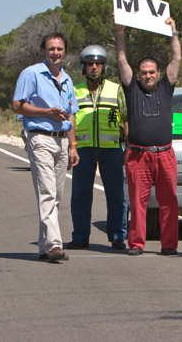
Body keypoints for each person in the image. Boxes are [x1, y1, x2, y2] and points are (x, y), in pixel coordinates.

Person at [12, 32, 80, 263]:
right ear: (43, 51)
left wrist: (73, 145)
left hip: (62, 140)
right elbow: (17, 106)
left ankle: (43, 246)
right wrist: (46, 112)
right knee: (47, 192)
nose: (55, 53)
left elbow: (70, 114)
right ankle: (54, 246)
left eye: (59, 49)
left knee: (57, 195)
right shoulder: (31, 74)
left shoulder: (67, 79)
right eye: (51, 49)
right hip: (40, 137)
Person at [116, 17, 181, 256]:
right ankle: (136, 243)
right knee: (137, 202)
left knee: (169, 202)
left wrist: (173, 32)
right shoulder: (132, 88)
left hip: (164, 154)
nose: (147, 76)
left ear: (158, 73)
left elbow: (177, 59)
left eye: (151, 72)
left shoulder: (166, 87)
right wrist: (120, 33)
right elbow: (122, 60)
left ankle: (169, 245)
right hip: (137, 155)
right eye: (143, 72)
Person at [69, 44, 129, 250]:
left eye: (98, 63)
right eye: (90, 63)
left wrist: (127, 146)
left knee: (116, 195)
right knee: (80, 194)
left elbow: (125, 118)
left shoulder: (116, 89)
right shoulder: (74, 90)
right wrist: (72, 146)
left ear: (104, 66)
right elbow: (70, 120)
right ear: (83, 66)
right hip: (83, 149)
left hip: (111, 149)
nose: (94, 67)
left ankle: (118, 236)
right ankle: (80, 236)